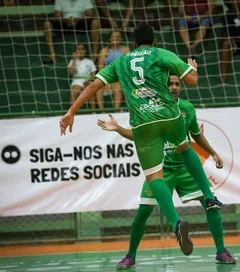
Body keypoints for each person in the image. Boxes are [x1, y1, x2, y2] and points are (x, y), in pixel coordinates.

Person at [59, 24, 223, 256]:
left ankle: (176, 223)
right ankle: (208, 196)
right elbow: (193, 81)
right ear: (154, 42)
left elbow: (94, 85)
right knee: (185, 146)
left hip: (143, 123)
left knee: (155, 177)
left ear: (134, 44)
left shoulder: (121, 61)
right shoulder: (161, 53)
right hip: (169, 115)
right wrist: (191, 68)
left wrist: (71, 111)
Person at [97, 74, 236, 268]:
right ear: (163, 86)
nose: (174, 87)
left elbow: (196, 135)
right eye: (170, 84)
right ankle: (130, 256)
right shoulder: (151, 109)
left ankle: (221, 251)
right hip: (161, 170)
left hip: (186, 169)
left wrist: (213, 153)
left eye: (177, 84)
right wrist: (119, 129)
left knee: (210, 203)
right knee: (142, 213)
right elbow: (139, 136)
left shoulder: (187, 108)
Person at [42, 0, 101, 64]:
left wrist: (76, 20)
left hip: (80, 22)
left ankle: (95, 55)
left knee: (95, 22)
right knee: (47, 24)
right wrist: (67, 20)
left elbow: (91, 15)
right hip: (65, 23)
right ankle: (52, 55)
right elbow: (57, 17)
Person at [96, 31, 130, 109]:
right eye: (113, 37)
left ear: (121, 38)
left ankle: (116, 110)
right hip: (108, 77)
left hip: (122, 76)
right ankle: (101, 111)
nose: (116, 38)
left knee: (118, 87)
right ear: (110, 39)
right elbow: (100, 68)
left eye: (118, 37)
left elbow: (127, 66)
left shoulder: (125, 49)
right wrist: (106, 81)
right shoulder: (104, 51)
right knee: (98, 89)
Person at [68, 43, 97, 110]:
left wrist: (88, 80)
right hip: (77, 81)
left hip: (87, 81)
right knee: (74, 92)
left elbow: (93, 75)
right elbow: (71, 72)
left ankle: (93, 111)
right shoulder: (72, 61)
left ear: (86, 51)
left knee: (91, 91)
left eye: (82, 49)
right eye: (78, 49)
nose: (80, 51)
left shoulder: (89, 61)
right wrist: (74, 59)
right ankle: (72, 112)